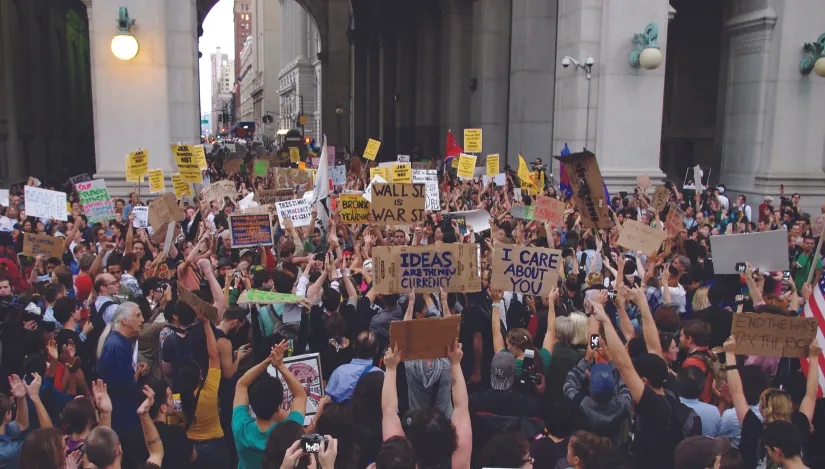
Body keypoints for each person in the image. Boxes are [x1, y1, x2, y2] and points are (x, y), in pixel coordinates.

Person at [232, 340, 307, 469]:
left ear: (251, 404)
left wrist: (267, 361)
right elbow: (300, 395)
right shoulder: (289, 431)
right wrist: (280, 365)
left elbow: (242, 384)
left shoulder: (241, 428)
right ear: (279, 407)